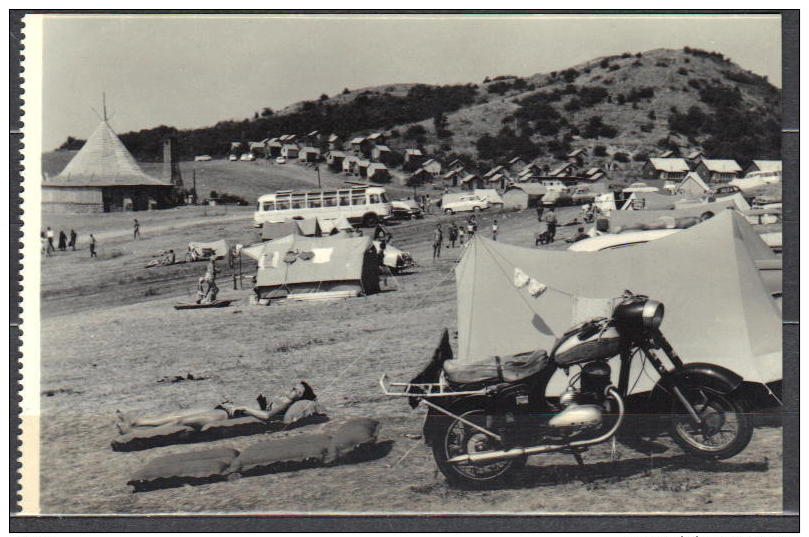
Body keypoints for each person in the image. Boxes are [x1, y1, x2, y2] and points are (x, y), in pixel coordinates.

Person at [115, 382, 317, 434]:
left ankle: (134, 430)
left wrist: (242, 408)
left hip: (229, 415)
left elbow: (266, 416)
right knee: (179, 414)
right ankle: (137, 421)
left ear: (300, 396)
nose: (292, 390)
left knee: (181, 421)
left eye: (296, 390)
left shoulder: (285, 405)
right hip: (227, 409)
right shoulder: (284, 401)